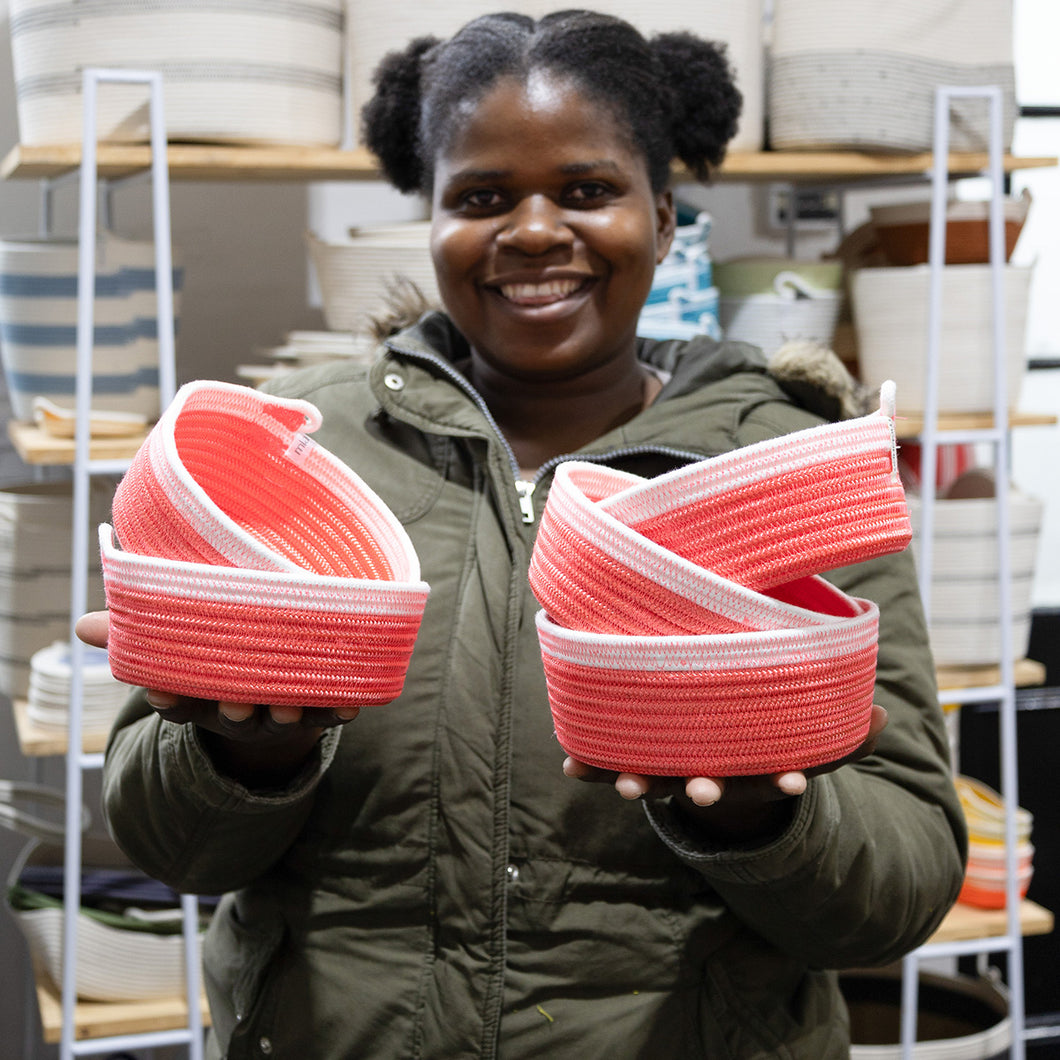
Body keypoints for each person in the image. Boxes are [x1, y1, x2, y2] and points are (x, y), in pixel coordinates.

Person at [78, 10, 966, 1058]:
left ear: (666, 216)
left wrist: (757, 823)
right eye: (482, 198)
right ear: (432, 217)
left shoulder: (784, 471)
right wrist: (245, 750)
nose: (535, 231)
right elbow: (169, 846)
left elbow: (900, 888)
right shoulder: (300, 452)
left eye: (587, 191)